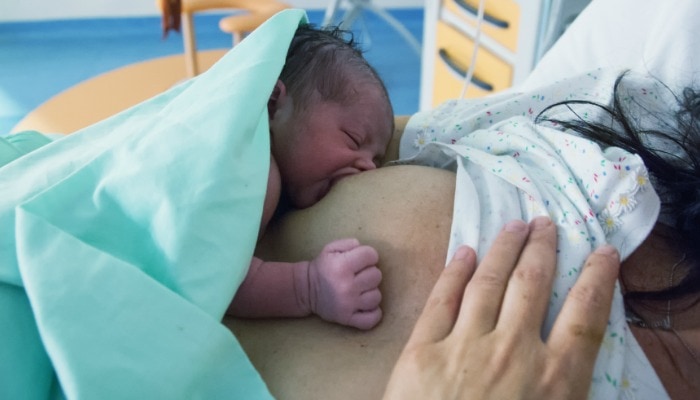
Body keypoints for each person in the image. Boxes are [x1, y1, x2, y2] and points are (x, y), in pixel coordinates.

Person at [226, 71, 700, 399]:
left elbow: (395, 130)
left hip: (593, 179)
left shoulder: (256, 144)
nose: (363, 167)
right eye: (354, 144)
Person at [225, 24, 395, 330]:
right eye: (354, 139)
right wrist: (310, 287)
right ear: (274, 104)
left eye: (377, 159)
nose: (369, 168)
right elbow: (216, 275)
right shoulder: (255, 169)